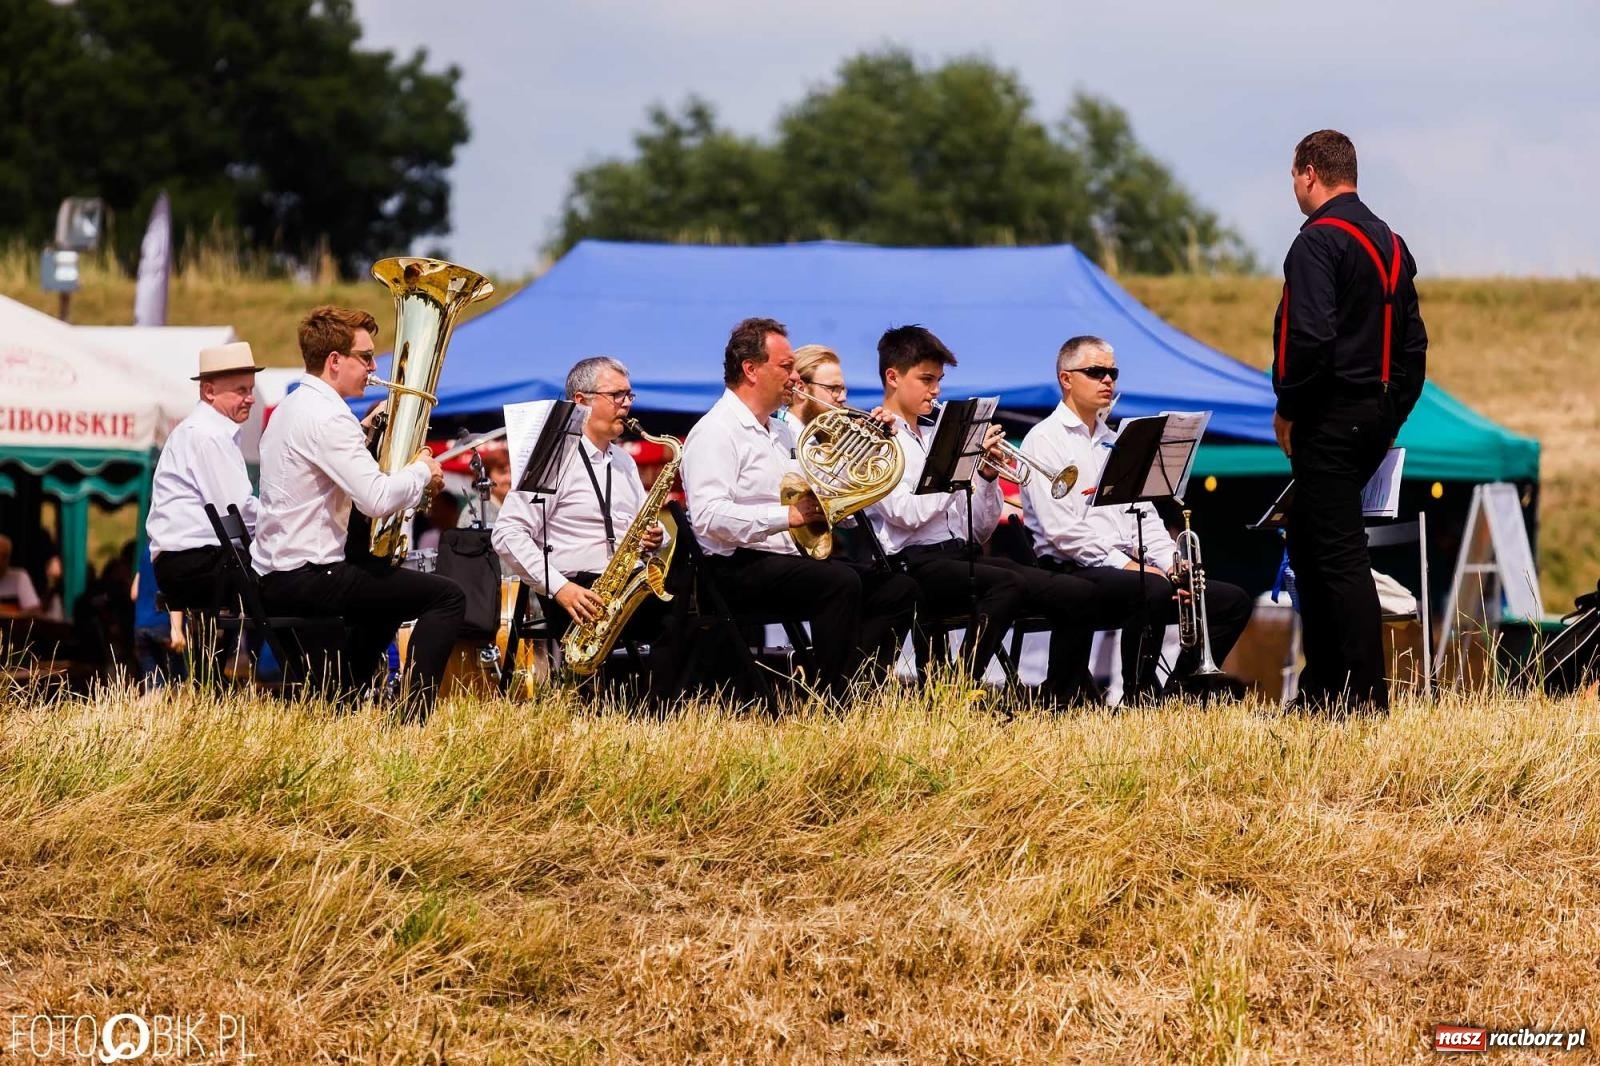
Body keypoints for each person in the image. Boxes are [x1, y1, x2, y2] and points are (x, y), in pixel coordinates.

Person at [865, 325, 1105, 703]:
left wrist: (988, 476)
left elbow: (976, 531)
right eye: (926, 380)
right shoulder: (876, 440)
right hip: (911, 565)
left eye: (939, 380)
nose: (936, 391)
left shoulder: (933, 439)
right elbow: (904, 515)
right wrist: (951, 473)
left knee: (1079, 592)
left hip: (960, 555)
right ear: (893, 377)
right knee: (1007, 585)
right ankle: (956, 691)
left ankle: (1058, 699)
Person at [681, 317, 917, 700]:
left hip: (783, 562)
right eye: (786, 367)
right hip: (733, 569)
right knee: (838, 584)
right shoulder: (715, 431)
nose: (794, 377)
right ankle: (832, 701)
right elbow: (708, 518)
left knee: (898, 588)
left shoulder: (783, 431)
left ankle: (859, 687)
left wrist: (872, 441)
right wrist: (787, 517)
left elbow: (829, 489)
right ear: (751, 369)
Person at [1273, 130, 1427, 712]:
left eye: (1293, 176)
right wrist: (1391, 416)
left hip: (1328, 417)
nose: (1293, 187)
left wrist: (1289, 407)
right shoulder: (1390, 242)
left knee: (1338, 555)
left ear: (1309, 172)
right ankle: (1321, 690)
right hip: (1374, 416)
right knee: (1310, 543)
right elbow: (1413, 347)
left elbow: (1309, 339)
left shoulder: (1317, 242)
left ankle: (1364, 700)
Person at [251, 305, 463, 722]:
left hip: (278, 574)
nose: (373, 366)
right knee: (448, 597)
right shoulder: (330, 418)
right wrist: (422, 470)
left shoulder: (293, 407)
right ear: (334, 361)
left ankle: (346, 701)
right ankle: (411, 720)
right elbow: (377, 499)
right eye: (365, 357)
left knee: (381, 587)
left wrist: (365, 432)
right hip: (310, 576)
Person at [1021, 336, 1252, 703]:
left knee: (1231, 600)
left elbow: (1144, 515)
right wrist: (1131, 566)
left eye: (1112, 372)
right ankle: (1138, 695)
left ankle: (1180, 694)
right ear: (1066, 379)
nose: (1108, 381)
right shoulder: (1044, 440)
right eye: (1096, 372)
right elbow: (1062, 532)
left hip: (1128, 571)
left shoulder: (1116, 440)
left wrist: (1171, 564)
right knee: (1151, 588)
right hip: (1071, 570)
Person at [492, 356, 684, 700]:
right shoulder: (552, 457)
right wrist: (561, 588)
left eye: (629, 396)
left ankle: (666, 705)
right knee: (677, 613)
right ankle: (657, 704)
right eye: (617, 395)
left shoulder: (624, 461)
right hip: (576, 590)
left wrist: (657, 537)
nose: (626, 405)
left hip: (622, 582)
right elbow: (507, 533)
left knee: (693, 602)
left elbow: (648, 526)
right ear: (581, 402)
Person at [146, 341, 263, 612]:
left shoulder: (202, 430)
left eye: (251, 389)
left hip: (187, 563)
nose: (251, 398)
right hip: (195, 564)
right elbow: (237, 511)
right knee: (293, 583)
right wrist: (286, 523)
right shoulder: (208, 434)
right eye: (241, 390)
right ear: (209, 391)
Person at [782, 344, 848, 431]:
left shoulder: (820, 437)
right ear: (801, 389)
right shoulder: (778, 438)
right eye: (833, 388)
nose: (843, 398)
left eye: (843, 389)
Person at [0, 533, 42, 618]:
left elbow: (35, 612)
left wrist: (8, 615)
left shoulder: (19, 577)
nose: (1, 561)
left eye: (4, 556)